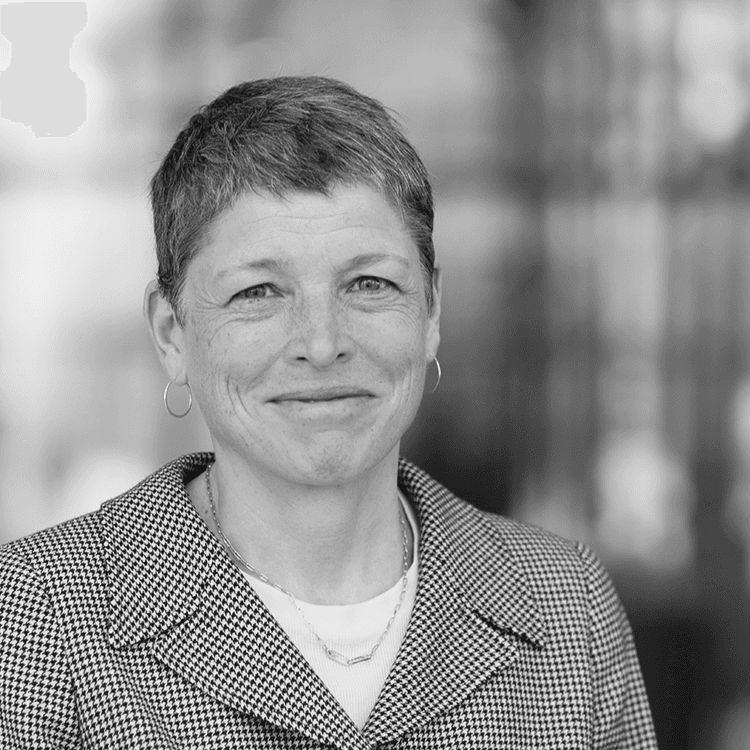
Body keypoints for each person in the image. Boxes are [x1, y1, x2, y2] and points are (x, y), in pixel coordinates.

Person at [0, 76, 658, 749]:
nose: (321, 345)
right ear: (172, 334)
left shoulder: (568, 606)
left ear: (431, 312)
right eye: (259, 292)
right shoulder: (37, 614)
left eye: (369, 284)